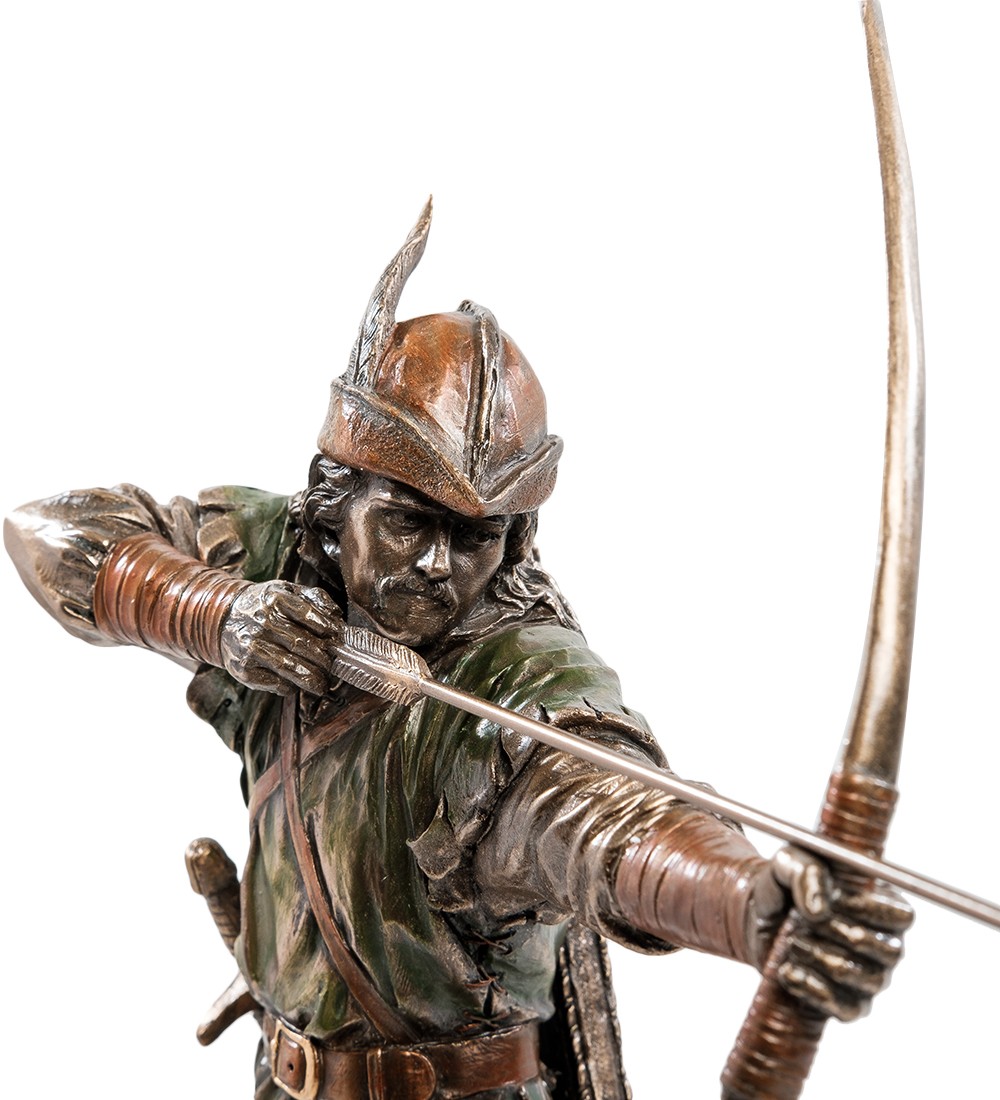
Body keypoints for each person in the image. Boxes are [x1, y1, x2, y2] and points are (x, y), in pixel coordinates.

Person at [5, 202, 910, 1100]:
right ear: (336, 502)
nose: (439, 565)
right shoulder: (275, 559)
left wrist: (752, 904)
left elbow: (601, 814)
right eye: (405, 522)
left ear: (514, 542)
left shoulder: (522, 675)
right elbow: (46, 533)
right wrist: (212, 611)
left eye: (476, 538)